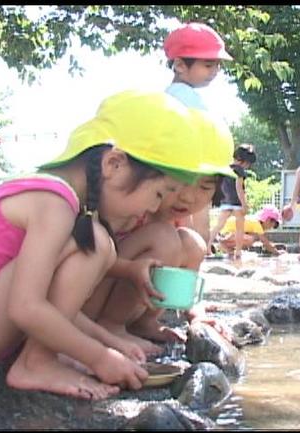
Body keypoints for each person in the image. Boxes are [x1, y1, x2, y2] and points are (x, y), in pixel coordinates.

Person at [0, 90, 207, 400]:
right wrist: (98, 358)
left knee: (100, 245)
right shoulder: (54, 202)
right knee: (95, 243)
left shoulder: (59, 201)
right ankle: (36, 363)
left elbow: (50, 299)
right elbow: (27, 306)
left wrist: (104, 342)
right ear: (113, 164)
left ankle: (43, 357)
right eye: (158, 194)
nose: (153, 210)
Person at [82, 107, 237, 353]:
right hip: (84, 303)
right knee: (164, 238)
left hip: (114, 289)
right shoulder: (131, 208)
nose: (187, 197)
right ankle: (111, 325)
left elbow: (188, 273)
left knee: (192, 243)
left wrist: (195, 313)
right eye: (180, 185)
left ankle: (144, 322)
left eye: (204, 188)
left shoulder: (173, 220)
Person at [164, 22, 233, 111]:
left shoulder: (165, 97)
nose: (215, 71)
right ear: (179, 65)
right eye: (208, 65)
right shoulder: (188, 100)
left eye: (218, 65)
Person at [207, 143, 257, 259]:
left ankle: (208, 246)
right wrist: (244, 204)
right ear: (245, 162)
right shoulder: (240, 171)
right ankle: (238, 252)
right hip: (237, 203)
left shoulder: (226, 169)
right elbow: (239, 188)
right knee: (240, 228)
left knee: (218, 225)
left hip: (225, 201)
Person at [216, 205, 290, 256]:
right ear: (268, 220)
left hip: (224, 233)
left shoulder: (254, 221)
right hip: (225, 234)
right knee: (250, 240)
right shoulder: (257, 224)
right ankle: (223, 245)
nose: (272, 227)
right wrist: (277, 252)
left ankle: (229, 250)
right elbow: (265, 242)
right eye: (274, 225)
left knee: (251, 238)